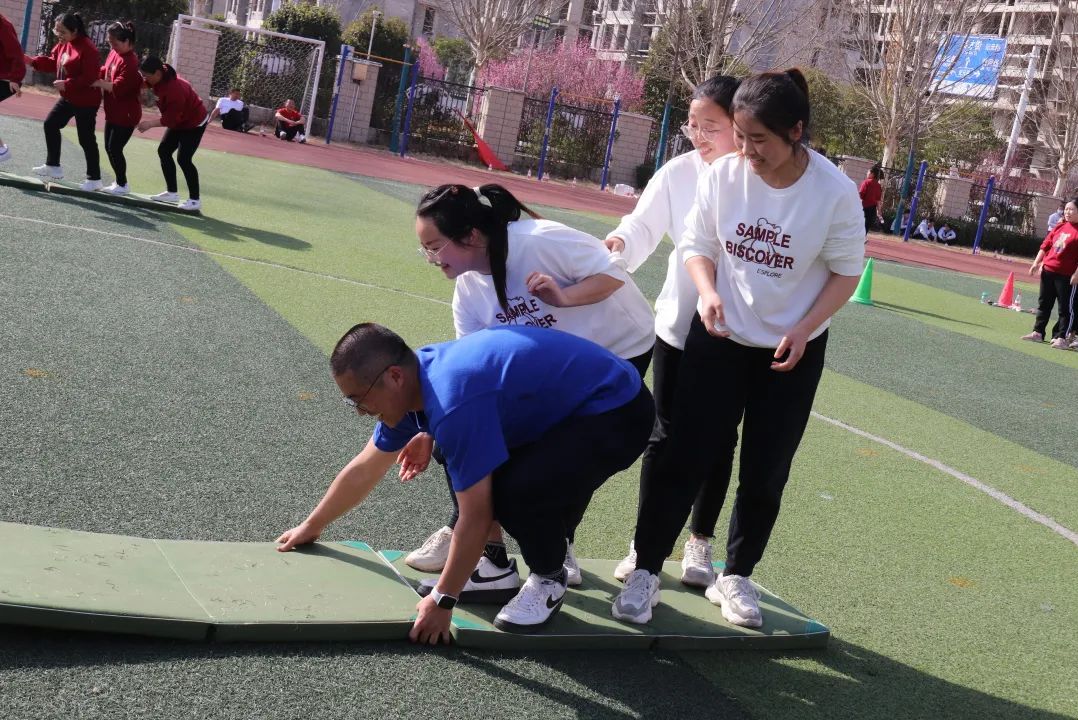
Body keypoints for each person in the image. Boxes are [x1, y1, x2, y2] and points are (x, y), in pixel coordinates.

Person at [612, 69, 865, 628]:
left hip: (790, 351)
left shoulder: (835, 192)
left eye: (760, 140)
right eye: (742, 137)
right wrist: (705, 294)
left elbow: (847, 273)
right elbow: (697, 246)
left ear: (796, 131)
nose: (747, 152)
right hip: (719, 338)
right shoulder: (723, 176)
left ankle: (737, 575)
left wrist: (805, 327)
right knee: (685, 453)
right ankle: (647, 571)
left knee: (766, 467)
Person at [276, 323, 654, 639]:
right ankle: (493, 569)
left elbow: (476, 515)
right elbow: (365, 468)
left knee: (516, 493)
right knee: (448, 448)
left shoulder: (451, 399)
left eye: (358, 399)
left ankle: (549, 577)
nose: (359, 411)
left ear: (393, 377)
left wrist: (444, 599)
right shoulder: (411, 388)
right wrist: (313, 525)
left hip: (616, 409)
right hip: (564, 407)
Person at [401, 183, 655, 594]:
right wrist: (432, 431)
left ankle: (558, 547)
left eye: (434, 247)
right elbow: (470, 377)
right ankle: (485, 545)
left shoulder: (539, 242)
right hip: (552, 369)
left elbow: (613, 276)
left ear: (470, 236)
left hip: (618, 349)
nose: (430, 259)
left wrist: (564, 297)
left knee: (567, 455)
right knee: (483, 440)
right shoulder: (468, 289)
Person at [600, 75, 741, 589]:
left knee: (720, 440)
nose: (699, 136)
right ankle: (645, 541)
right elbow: (642, 225)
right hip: (678, 329)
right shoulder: (677, 173)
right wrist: (618, 244)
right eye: (693, 125)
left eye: (712, 127)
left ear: (739, 126)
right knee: (663, 436)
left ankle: (699, 543)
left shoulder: (753, 181)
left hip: (732, 335)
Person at [25, 12, 102, 189]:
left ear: (74, 31)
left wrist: (67, 84)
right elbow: (54, 62)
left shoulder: (88, 48)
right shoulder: (63, 44)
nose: (59, 34)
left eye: (63, 31)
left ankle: (94, 179)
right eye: (56, 30)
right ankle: (53, 166)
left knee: (86, 139)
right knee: (51, 124)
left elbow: (90, 77)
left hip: (86, 101)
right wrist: (32, 61)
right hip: (69, 98)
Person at [137, 56, 208, 212]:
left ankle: (195, 200)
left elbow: (170, 119)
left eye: (146, 75)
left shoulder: (175, 89)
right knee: (164, 151)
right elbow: (144, 84)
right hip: (179, 120)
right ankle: (172, 192)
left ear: (157, 73)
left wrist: (148, 124)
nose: (145, 78)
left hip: (194, 122)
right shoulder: (158, 77)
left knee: (184, 159)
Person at [1021, 197, 1078, 350]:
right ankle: (1038, 332)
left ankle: (1061, 337)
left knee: (1065, 308)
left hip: (1067, 275)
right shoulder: (1060, 226)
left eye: (1071, 209)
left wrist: (1077, 273)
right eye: (1066, 209)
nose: (1067, 212)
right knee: (1044, 304)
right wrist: (1036, 263)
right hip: (1048, 270)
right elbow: (1046, 245)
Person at [90, 22, 141, 195]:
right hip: (113, 111)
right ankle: (119, 182)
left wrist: (96, 82)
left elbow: (117, 87)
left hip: (126, 114)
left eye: (115, 43)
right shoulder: (115, 52)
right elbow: (107, 69)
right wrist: (96, 72)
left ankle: (122, 184)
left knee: (115, 148)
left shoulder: (131, 63)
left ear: (127, 42)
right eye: (110, 42)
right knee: (109, 147)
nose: (112, 46)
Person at [0, 10, 25, 163]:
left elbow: (16, 52)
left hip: (7, 79)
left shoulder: (3, 25)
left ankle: (2, 150)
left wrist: (15, 78)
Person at [858, 166, 883, 235]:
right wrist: (879, 211)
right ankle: (863, 237)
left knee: (859, 224)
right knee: (866, 225)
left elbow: (861, 194)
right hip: (872, 209)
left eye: (868, 172)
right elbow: (878, 200)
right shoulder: (878, 185)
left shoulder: (866, 182)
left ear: (872, 174)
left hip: (864, 206)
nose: (867, 173)